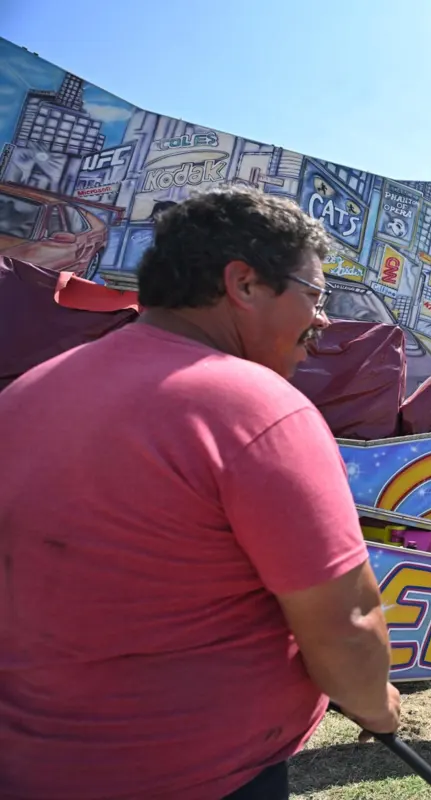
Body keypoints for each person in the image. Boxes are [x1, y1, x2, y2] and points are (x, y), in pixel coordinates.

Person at [0, 185, 402, 799]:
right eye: (315, 294)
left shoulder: (26, 393)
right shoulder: (257, 409)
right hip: (201, 777)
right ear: (243, 284)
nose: (323, 318)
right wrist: (376, 708)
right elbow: (345, 623)